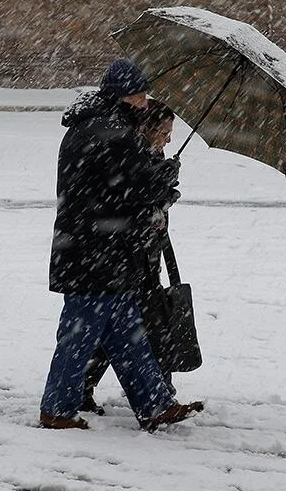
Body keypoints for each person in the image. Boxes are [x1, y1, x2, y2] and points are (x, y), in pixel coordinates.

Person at [39, 59, 202, 432]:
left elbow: (113, 187)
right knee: (79, 334)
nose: (144, 103)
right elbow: (129, 192)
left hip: (94, 249)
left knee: (128, 333)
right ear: (120, 97)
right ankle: (57, 409)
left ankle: (155, 404)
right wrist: (163, 180)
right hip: (97, 253)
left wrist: (155, 180)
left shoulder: (93, 126)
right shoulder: (112, 132)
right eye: (138, 97)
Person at [80, 99, 178, 415]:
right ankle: (158, 393)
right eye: (163, 133)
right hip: (127, 254)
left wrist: (166, 191)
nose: (168, 140)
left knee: (144, 322)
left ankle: (160, 390)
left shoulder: (153, 156)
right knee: (130, 325)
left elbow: (151, 200)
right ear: (146, 128)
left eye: (170, 134)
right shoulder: (130, 155)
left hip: (148, 254)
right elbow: (129, 201)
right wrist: (156, 195)